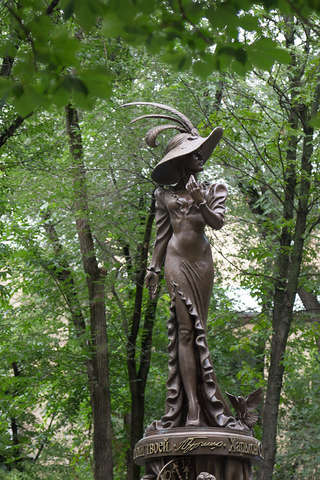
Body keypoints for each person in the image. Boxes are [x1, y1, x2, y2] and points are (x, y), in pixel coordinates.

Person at [123, 102, 245, 432]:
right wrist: (152, 269)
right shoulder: (164, 196)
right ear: (181, 159)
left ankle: (207, 404)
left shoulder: (214, 189)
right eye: (194, 152)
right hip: (175, 263)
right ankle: (191, 407)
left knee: (199, 329)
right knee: (186, 331)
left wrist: (201, 201)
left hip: (202, 264)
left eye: (201, 151)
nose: (201, 156)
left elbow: (217, 223)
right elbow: (162, 236)